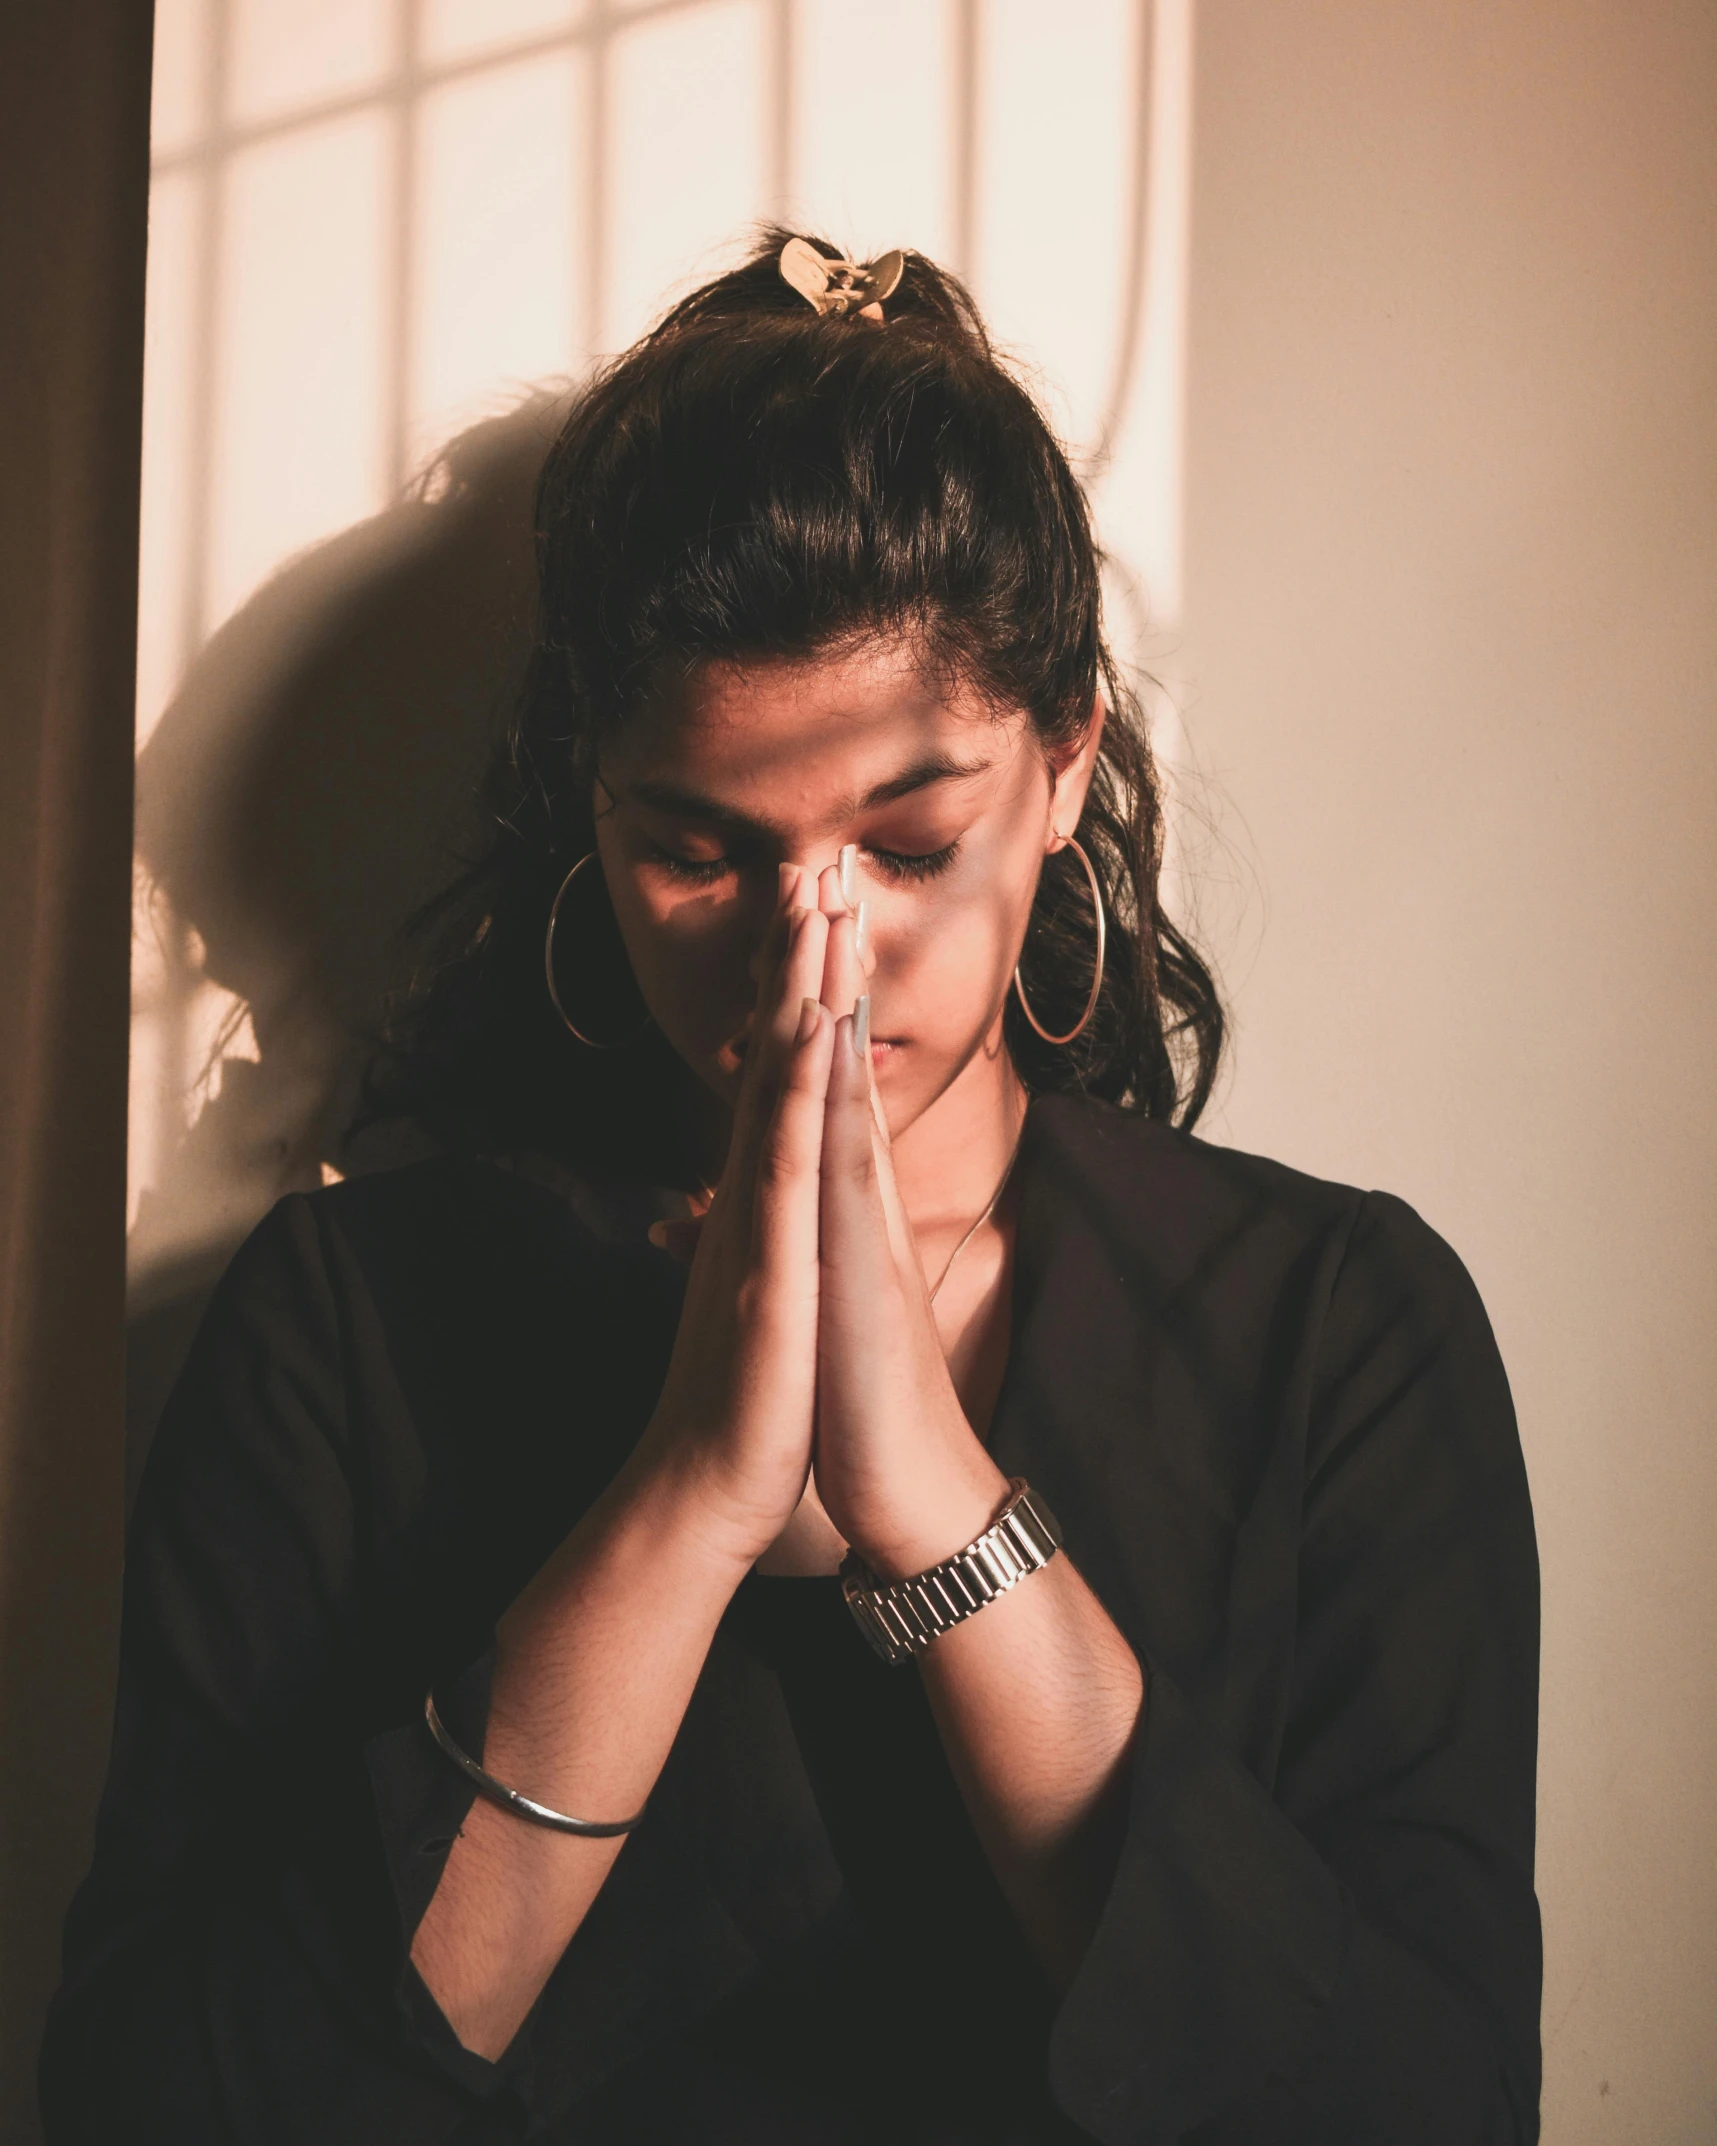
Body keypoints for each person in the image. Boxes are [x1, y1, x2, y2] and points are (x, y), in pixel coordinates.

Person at [42, 231, 1541, 2144]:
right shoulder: (342, 1322)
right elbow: (153, 2101)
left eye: (906, 844)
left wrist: (937, 1505)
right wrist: (682, 1502)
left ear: (1067, 762)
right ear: (594, 800)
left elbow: (1423, 2104)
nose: (808, 955)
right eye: (700, 851)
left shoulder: (1335, 1328)